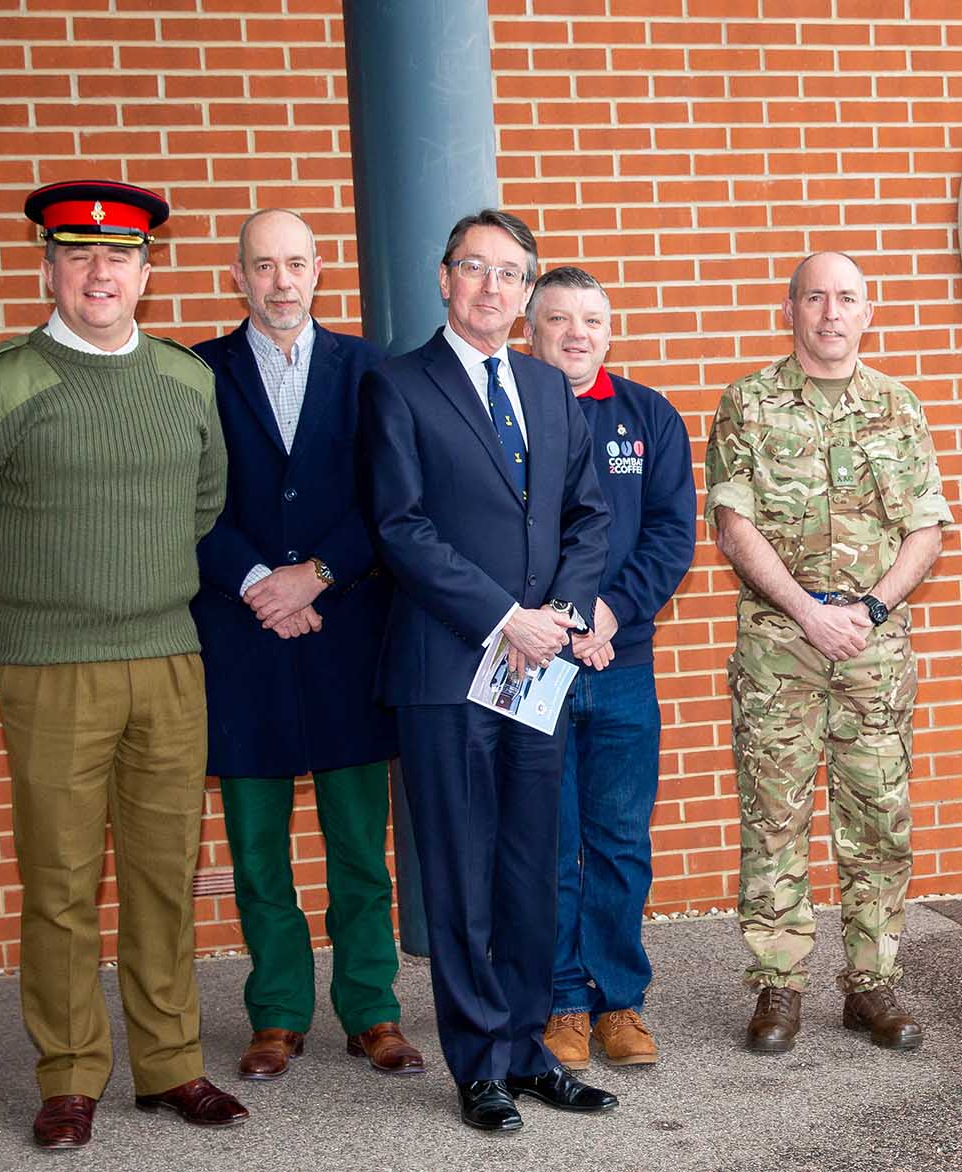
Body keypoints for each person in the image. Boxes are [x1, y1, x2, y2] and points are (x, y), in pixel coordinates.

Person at [0, 180, 246, 1148]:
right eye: (80, 255)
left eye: (121, 257)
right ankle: (67, 1074)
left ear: (146, 271)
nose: (102, 272)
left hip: (170, 658)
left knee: (163, 872)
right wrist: (32, 584)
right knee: (58, 877)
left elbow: (204, 504)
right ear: (48, 266)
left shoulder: (184, 381)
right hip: (51, 666)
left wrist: (136, 576)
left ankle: (170, 1061)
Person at [359, 209, 616, 1131]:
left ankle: (526, 1047)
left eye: (510, 274)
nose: (492, 288)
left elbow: (588, 518)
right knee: (462, 872)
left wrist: (554, 618)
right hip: (444, 669)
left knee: (528, 867)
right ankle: (478, 1065)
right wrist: (503, 616)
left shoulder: (550, 390)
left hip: (535, 670)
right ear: (444, 278)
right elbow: (400, 527)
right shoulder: (398, 387)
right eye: (476, 269)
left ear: (526, 289)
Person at [190, 209, 422, 1083]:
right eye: (262, 266)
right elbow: (189, 501)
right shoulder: (196, 373)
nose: (280, 282)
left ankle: (372, 1009)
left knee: (360, 844)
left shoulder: (370, 371)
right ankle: (278, 1012)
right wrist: (260, 582)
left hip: (344, 632)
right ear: (237, 276)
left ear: (319, 270)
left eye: (295, 265)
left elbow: (394, 497)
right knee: (257, 849)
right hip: (242, 635)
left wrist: (317, 573)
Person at [704, 252, 951, 1054]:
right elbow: (733, 525)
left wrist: (872, 607)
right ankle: (778, 988)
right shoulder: (748, 403)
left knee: (879, 817)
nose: (831, 312)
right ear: (791, 310)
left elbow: (927, 527)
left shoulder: (900, 407)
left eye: (847, 298)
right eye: (816, 298)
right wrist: (808, 612)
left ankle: (871, 985)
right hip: (780, 651)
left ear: (867, 312)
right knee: (774, 817)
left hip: (874, 656)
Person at [523, 266, 696, 1069]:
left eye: (591, 319)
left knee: (621, 838)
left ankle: (619, 1001)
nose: (576, 333)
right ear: (531, 328)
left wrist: (610, 614)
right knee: (551, 843)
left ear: (609, 329)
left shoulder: (649, 417)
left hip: (621, 663)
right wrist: (559, 623)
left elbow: (671, 535)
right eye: (558, 319)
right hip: (535, 664)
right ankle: (562, 1001)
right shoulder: (508, 410)